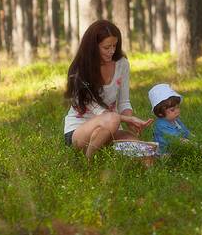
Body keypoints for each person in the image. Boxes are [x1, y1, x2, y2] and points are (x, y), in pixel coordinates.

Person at [64, 20, 152, 159]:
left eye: (114, 45)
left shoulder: (122, 64)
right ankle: (89, 163)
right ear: (93, 47)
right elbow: (100, 112)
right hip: (79, 130)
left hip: (111, 127)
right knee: (110, 119)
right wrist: (128, 120)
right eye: (106, 47)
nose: (112, 51)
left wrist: (129, 122)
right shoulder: (80, 69)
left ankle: (101, 147)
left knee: (144, 150)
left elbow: (124, 102)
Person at [148, 84, 190, 154]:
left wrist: (192, 138)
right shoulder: (161, 125)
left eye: (177, 107)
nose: (177, 111)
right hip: (166, 152)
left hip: (177, 148)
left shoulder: (176, 121)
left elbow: (185, 132)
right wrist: (191, 144)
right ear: (160, 113)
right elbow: (175, 139)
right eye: (172, 110)